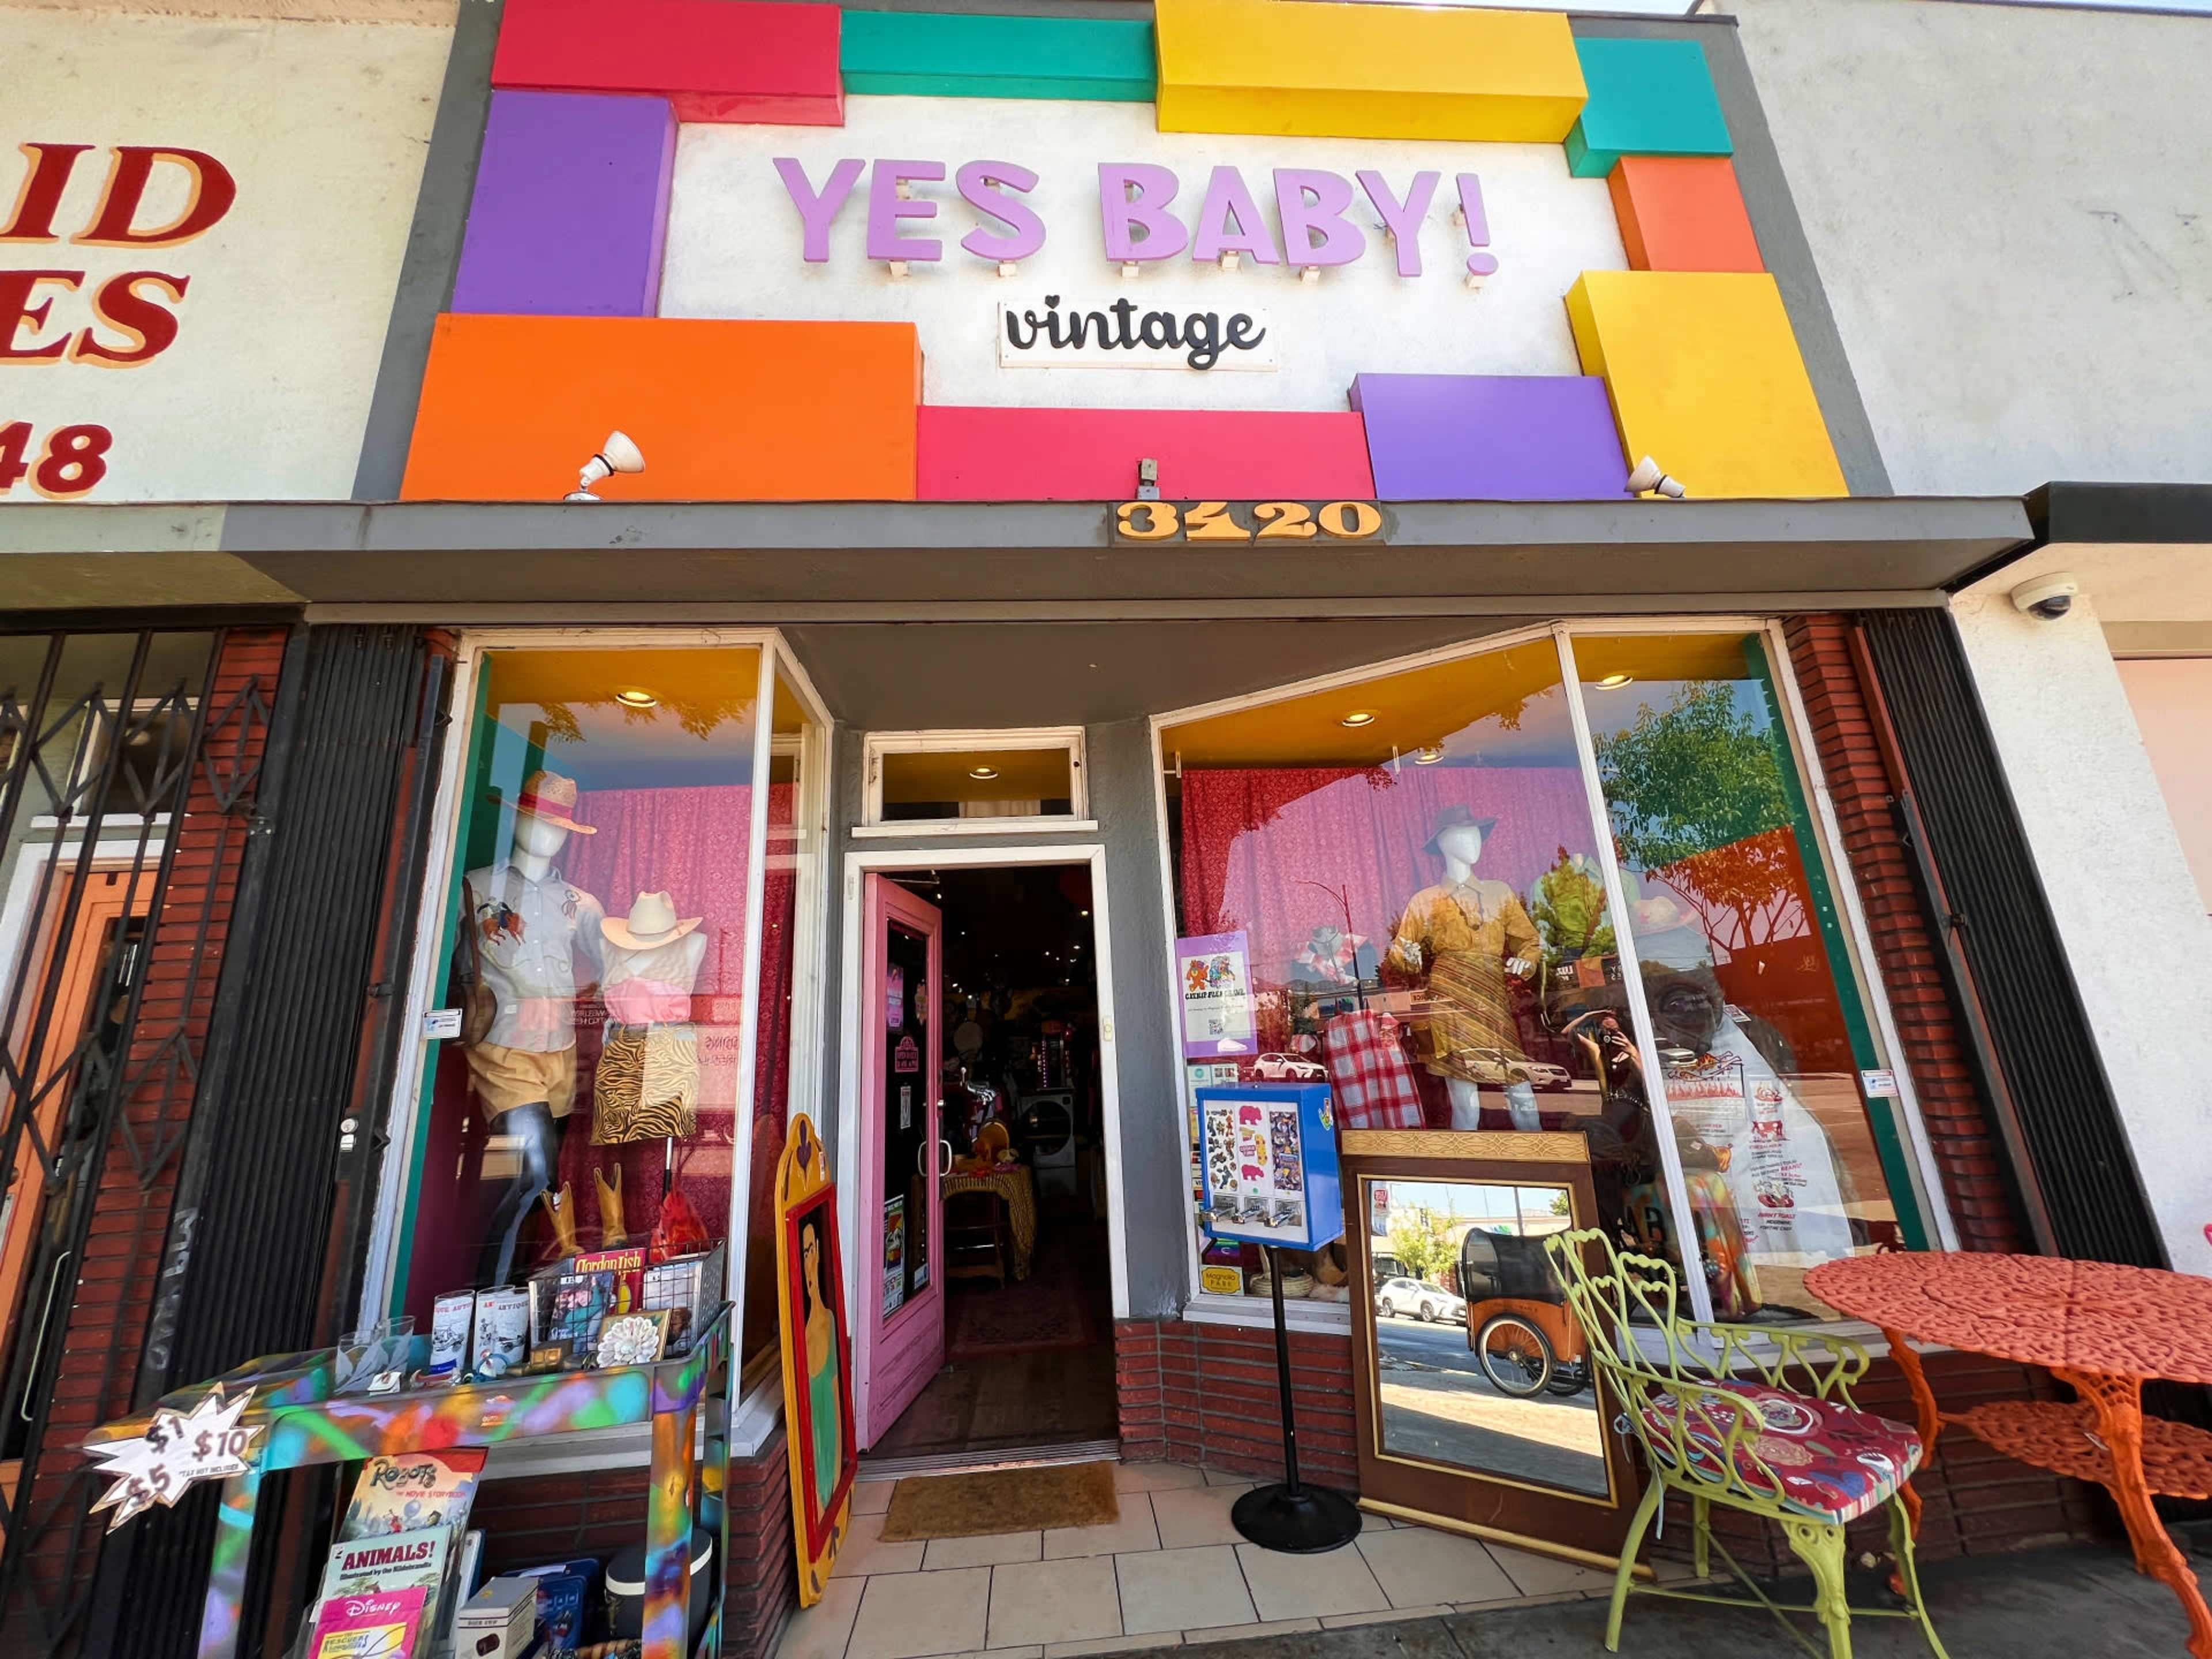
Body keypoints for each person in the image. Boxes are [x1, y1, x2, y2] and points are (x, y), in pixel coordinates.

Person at [801, 1214, 841, 1512]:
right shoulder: (796, 1331)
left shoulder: (828, 1321)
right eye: (803, 1254)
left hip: (829, 1451)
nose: (809, 1261)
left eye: (811, 1251)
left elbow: (837, 1398)